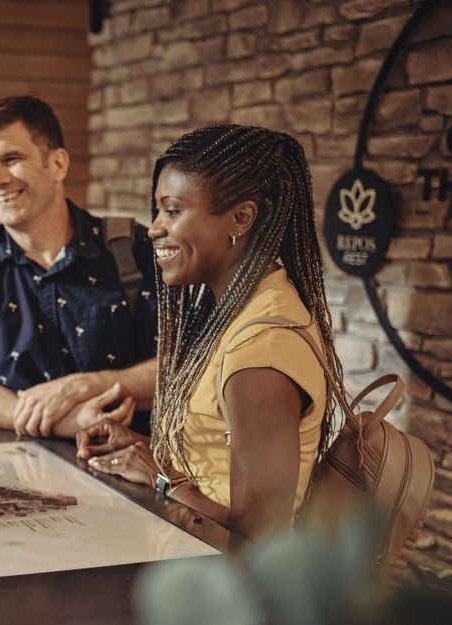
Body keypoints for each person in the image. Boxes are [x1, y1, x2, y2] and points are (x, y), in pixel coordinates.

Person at [77, 124, 344, 539]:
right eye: (158, 210)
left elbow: (259, 534)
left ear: (240, 218)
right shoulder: (236, 313)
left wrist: (161, 476)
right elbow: (214, 463)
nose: (153, 228)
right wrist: (138, 447)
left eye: (173, 210)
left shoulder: (263, 352)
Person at [0, 96, 158, 439]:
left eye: (12, 159)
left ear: (58, 165)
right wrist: (67, 423)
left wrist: (91, 385)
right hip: (14, 475)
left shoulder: (133, 248)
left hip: (134, 470)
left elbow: (184, 368)